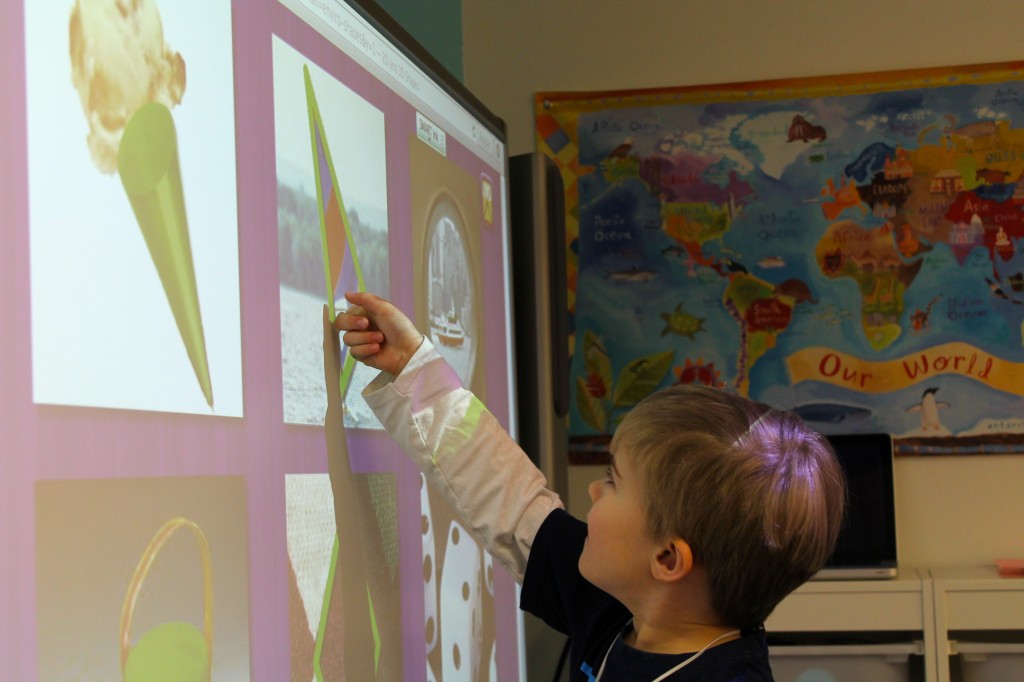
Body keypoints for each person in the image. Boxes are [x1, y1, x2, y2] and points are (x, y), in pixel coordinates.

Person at [330, 290, 846, 682]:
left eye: (614, 482)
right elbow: (508, 498)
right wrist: (414, 368)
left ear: (668, 559)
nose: (595, 492)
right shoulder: (623, 605)